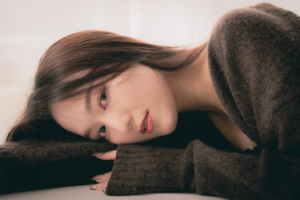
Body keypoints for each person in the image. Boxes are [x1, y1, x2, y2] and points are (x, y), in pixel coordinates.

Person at [6, 2, 300, 200]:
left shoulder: (242, 40)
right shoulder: (193, 127)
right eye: (101, 132)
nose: (121, 124)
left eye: (103, 98)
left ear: (120, 53)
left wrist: (182, 169)